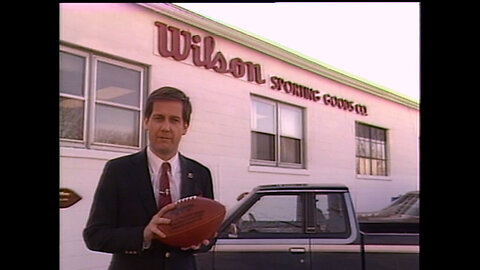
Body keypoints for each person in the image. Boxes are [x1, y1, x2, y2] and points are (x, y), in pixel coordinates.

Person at [83, 86, 215, 270]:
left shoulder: (200, 173)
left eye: (174, 120)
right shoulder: (118, 171)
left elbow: (209, 236)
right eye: (158, 118)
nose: (166, 128)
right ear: (146, 121)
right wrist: (144, 235)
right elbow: (95, 236)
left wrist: (200, 242)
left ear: (185, 127)